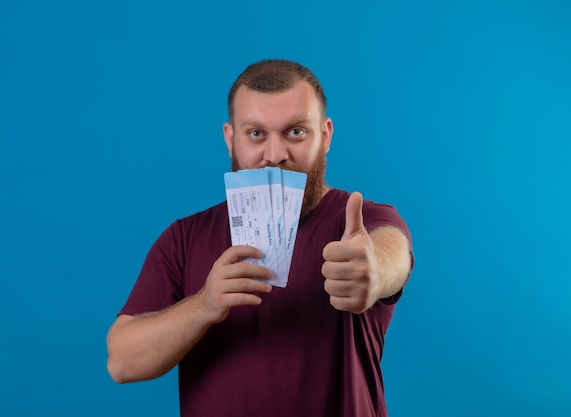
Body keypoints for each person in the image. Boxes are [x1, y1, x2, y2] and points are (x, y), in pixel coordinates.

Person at [107, 59, 413, 417]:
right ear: (230, 138)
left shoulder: (361, 221)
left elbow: (393, 251)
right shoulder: (183, 239)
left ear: (325, 136)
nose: (274, 155)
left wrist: (373, 270)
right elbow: (122, 362)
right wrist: (203, 306)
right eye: (256, 134)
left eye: (295, 132)